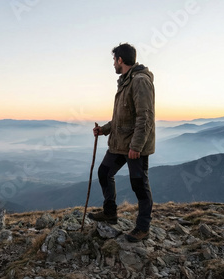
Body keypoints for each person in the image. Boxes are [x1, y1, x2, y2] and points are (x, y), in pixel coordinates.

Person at [88, 43, 155, 242]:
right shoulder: (126, 81)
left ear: (120, 60)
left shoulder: (140, 81)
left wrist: (137, 146)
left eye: (114, 60)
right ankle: (110, 212)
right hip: (119, 143)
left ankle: (143, 227)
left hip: (134, 146)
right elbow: (122, 117)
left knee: (139, 185)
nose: (113, 65)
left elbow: (145, 117)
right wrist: (104, 130)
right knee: (104, 173)